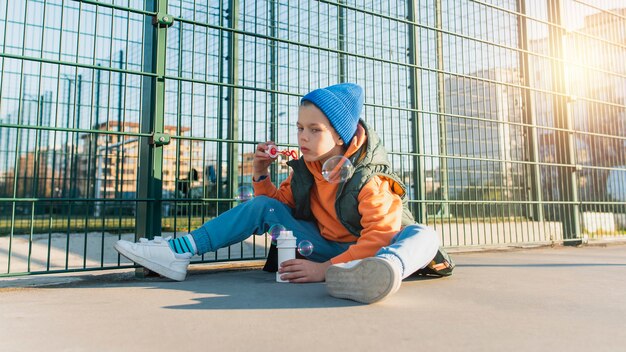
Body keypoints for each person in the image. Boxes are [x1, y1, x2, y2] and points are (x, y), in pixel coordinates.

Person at [115, 83, 449, 304]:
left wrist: (323, 270)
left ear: (340, 138)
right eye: (300, 128)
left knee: (423, 234)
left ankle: (381, 272)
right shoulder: (308, 168)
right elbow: (273, 208)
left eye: (314, 130)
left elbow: (379, 236)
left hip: (373, 251)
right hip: (330, 248)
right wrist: (260, 173)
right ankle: (179, 252)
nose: (303, 137)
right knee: (259, 204)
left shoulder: (370, 179)